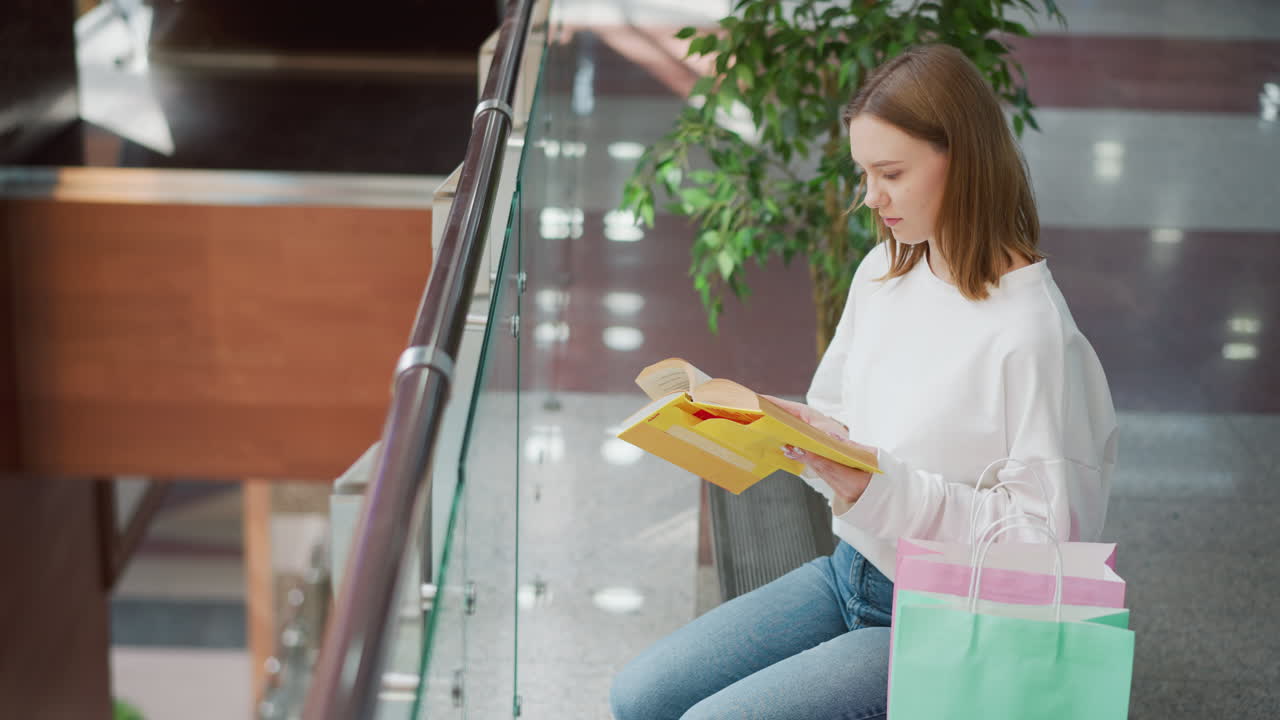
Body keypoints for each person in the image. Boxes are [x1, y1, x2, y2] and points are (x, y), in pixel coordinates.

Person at [609, 44, 1118, 720]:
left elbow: (1042, 554)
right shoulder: (885, 270)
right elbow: (844, 415)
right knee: (639, 697)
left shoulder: (1033, 336)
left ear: (964, 160)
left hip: (950, 617)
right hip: (852, 572)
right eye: (865, 173)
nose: (871, 198)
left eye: (891, 174)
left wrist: (879, 486)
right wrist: (803, 435)